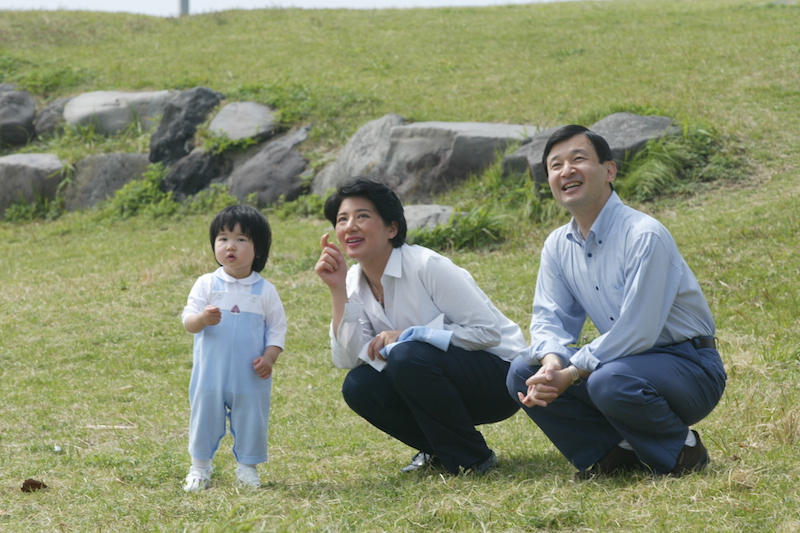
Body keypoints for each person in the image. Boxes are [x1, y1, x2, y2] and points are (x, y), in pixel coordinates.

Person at [506, 125, 726, 480]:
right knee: (523, 371)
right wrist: (551, 364)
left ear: (610, 171)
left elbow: (638, 330)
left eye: (579, 159)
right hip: (626, 365)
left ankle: (681, 450)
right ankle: (613, 454)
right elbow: (551, 319)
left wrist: (573, 372)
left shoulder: (644, 234)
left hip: (689, 366)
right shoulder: (557, 245)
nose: (566, 171)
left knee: (606, 379)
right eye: (555, 165)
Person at [314, 178, 527, 475]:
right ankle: (440, 450)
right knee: (358, 386)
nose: (350, 226)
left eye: (362, 216)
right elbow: (347, 359)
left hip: (498, 378)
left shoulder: (426, 265)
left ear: (392, 228)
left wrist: (411, 335)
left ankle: (472, 458)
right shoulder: (352, 281)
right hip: (429, 377)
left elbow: (486, 332)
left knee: (406, 354)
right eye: (342, 219)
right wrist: (338, 291)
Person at [181, 205, 287, 491]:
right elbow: (188, 321)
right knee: (204, 416)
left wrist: (269, 357)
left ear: (259, 250)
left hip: (250, 375)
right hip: (209, 375)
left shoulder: (265, 291)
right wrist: (203, 319)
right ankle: (200, 468)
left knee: (252, 417)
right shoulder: (206, 284)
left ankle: (247, 469)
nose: (231, 246)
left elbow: (277, 329)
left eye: (242, 239)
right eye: (223, 238)